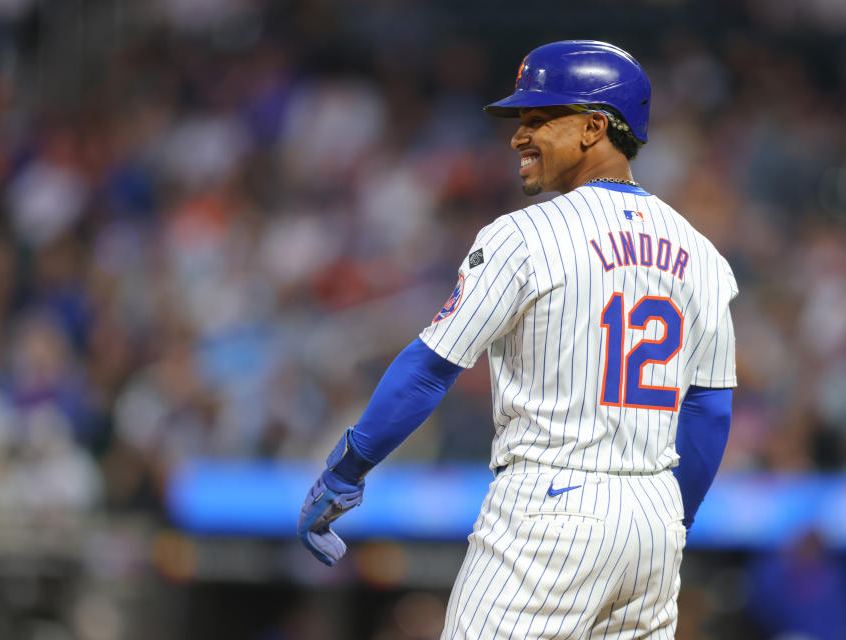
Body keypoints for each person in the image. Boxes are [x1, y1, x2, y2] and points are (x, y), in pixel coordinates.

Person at [298, 40, 737, 639]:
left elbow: (431, 368)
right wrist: (668, 519)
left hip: (549, 506)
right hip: (653, 522)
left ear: (593, 127)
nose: (517, 136)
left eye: (537, 119)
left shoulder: (525, 234)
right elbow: (709, 410)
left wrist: (348, 467)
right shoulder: (703, 256)